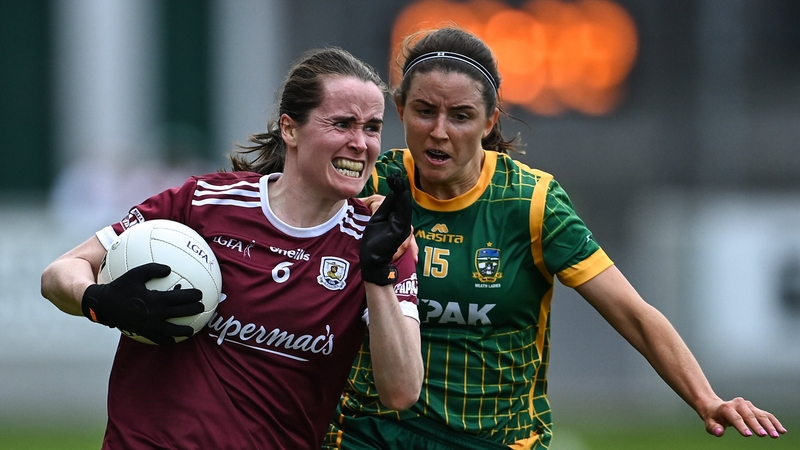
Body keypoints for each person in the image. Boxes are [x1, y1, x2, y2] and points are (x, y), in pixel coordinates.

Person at [324, 27, 787, 449]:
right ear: (401, 109)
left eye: (461, 116)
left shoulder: (532, 203)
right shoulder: (369, 185)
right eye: (424, 111)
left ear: (489, 123)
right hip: (372, 433)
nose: (439, 132)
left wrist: (706, 399)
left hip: (495, 440)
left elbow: (634, 314)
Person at [40, 47, 423, 450]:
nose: (360, 143)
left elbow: (401, 391)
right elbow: (59, 273)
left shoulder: (381, 241)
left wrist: (377, 275)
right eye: (343, 124)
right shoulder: (203, 203)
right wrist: (100, 300)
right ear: (290, 129)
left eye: (372, 127)